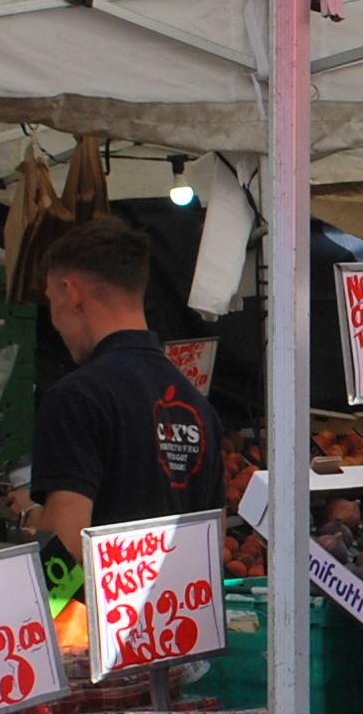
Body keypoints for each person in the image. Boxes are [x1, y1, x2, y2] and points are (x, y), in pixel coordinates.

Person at [29, 217, 223, 557]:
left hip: (99, 609)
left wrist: (45, 609)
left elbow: (65, 547)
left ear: (71, 292)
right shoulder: (199, 408)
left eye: (50, 301)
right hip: (182, 606)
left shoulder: (75, 399)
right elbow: (213, 541)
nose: (54, 320)